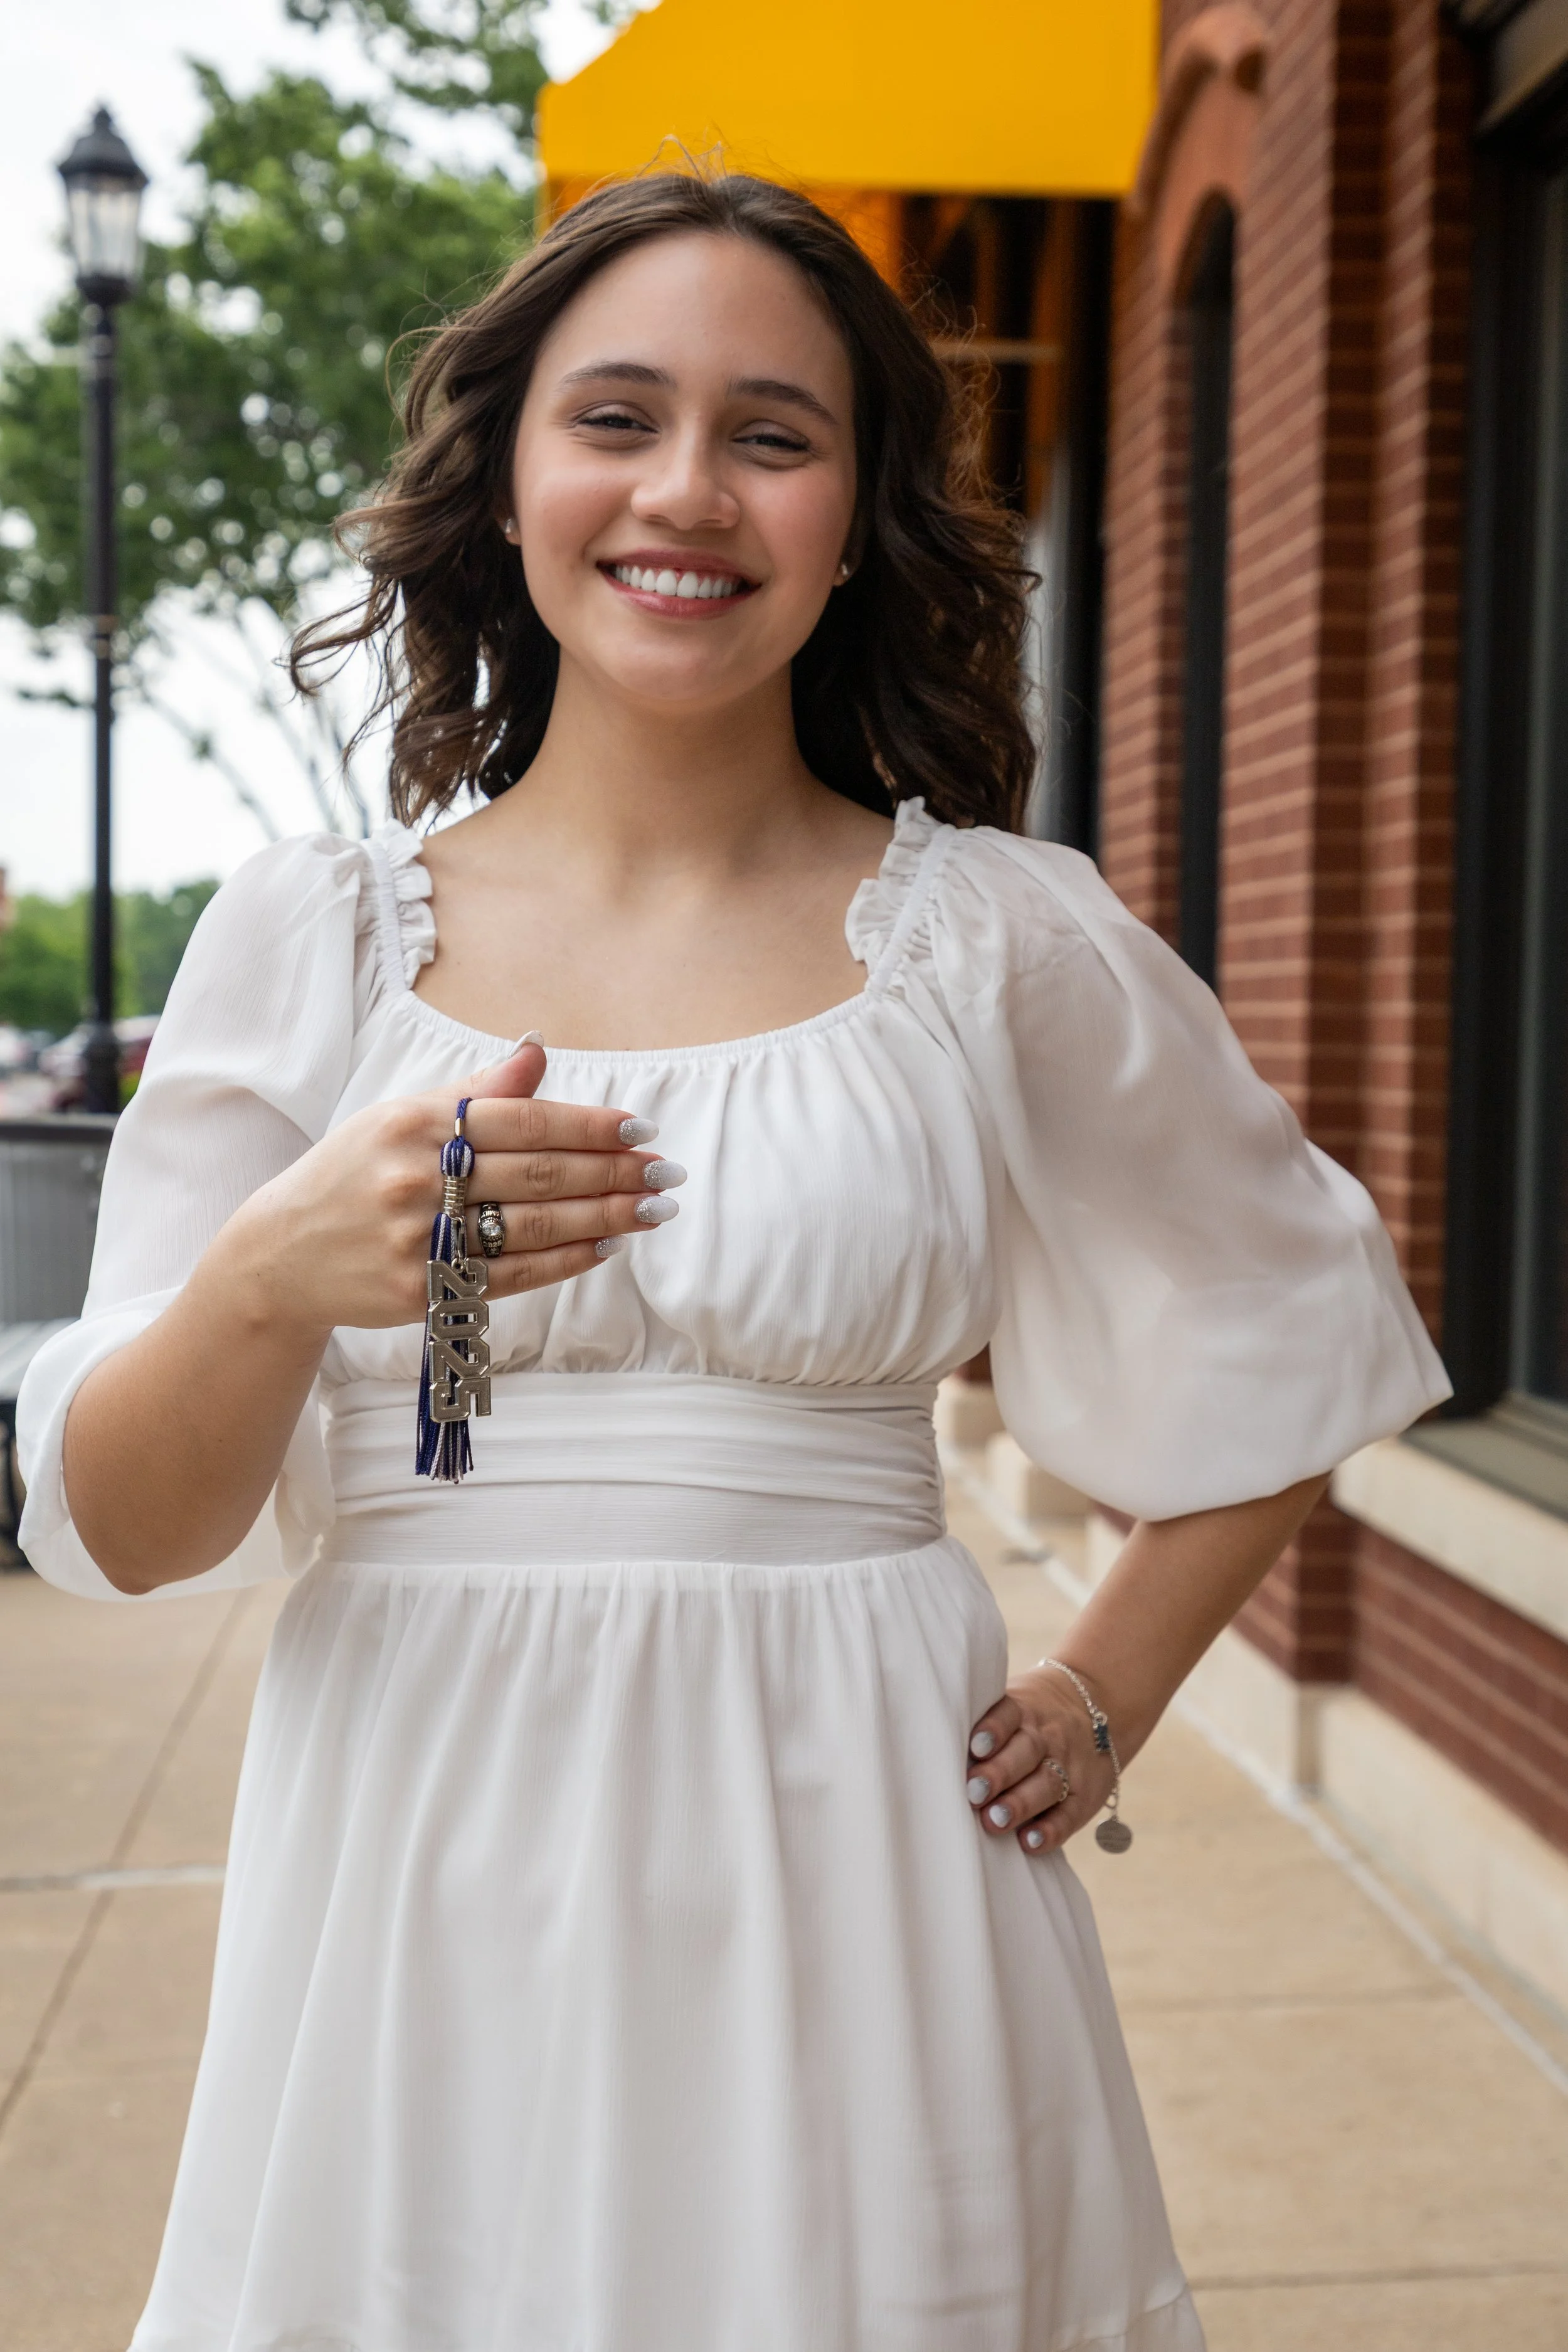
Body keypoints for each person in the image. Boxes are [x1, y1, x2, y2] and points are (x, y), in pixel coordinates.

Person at [18, 172, 1449, 2352]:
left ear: (859, 510)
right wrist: (272, 1273)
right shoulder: (310, 935)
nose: (687, 488)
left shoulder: (1001, 937)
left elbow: (1302, 1321)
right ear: (505, 479)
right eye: (616, 416)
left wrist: (1104, 1684)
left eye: (772, 433)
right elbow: (119, 1525)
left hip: (864, 1853)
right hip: (425, 1842)